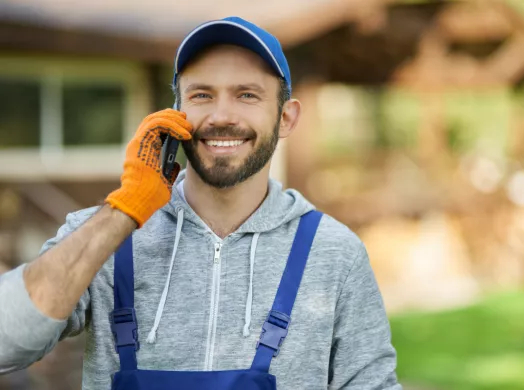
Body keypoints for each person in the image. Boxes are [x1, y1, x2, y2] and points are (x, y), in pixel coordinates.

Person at [0, 16, 401, 390]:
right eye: (202, 94)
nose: (221, 115)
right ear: (175, 114)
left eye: (247, 94)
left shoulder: (333, 253)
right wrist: (124, 211)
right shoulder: (105, 237)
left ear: (286, 118)